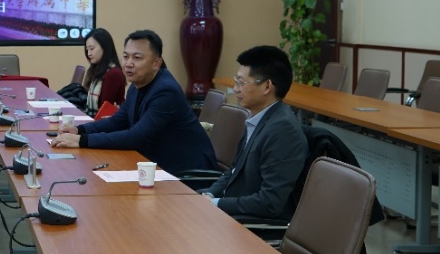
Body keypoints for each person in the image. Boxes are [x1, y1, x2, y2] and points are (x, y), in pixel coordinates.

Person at [50, 29, 215, 173]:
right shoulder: (137, 86)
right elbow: (118, 121)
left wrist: (82, 141)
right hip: (156, 164)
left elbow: (137, 136)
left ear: (156, 63)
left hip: (187, 171)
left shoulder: (166, 91)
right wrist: (79, 130)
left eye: (137, 58)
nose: (128, 64)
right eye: (125, 56)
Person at [201, 46, 308, 221]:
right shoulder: (258, 118)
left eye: (241, 83)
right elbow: (234, 170)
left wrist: (216, 204)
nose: (235, 89)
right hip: (231, 211)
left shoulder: (283, 131)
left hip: (249, 225)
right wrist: (209, 195)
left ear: (267, 86)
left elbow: (270, 202)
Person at [81, 28, 126, 115]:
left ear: (104, 47)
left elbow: (104, 111)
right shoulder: (96, 69)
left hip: (106, 121)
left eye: (92, 48)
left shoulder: (113, 73)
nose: (89, 53)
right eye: (87, 49)